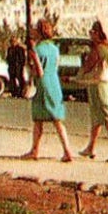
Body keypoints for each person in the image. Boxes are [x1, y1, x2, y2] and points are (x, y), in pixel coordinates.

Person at [22, 18, 72, 162]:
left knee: (38, 120)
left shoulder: (37, 50)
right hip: (54, 83)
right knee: (57, 120)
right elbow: (55, 66)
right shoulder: (55, 49)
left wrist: (31, 64)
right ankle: (67, 150)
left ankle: (35, 150)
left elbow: (39, 71)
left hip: (43, 84)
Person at [77, 20, 108, 163]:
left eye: (92, 32)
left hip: (98, 87)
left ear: (98, 34)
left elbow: (87, 67)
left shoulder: (97, 50)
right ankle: (90, 147)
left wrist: (77, 77)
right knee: (97, 118)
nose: (90, 35)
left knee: (106, 118)